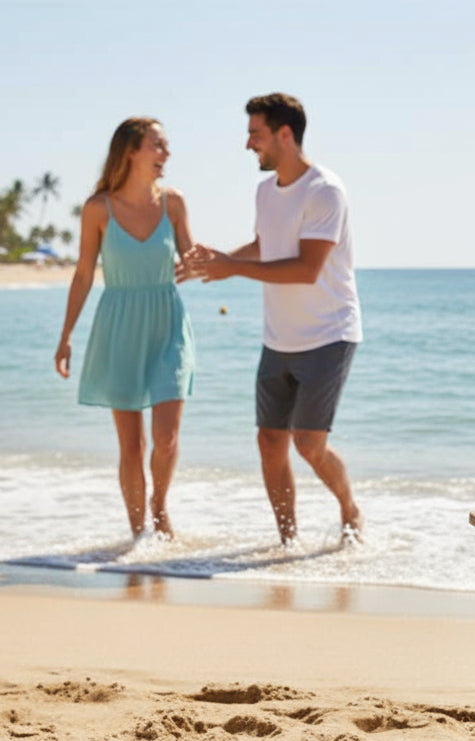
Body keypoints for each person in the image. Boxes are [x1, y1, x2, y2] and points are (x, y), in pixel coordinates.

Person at [178, 93, 362, 544]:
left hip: (328, 335)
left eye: (255, 135)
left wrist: (233, 267)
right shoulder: (264, 191)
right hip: (278, 338)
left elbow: (305, 268)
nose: (248, 146)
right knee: (269, 441)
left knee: (308, 443)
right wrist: (219, 262)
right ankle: (287, 540)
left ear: (285, 134)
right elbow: (267, 246)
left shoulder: (325, 191)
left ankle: (350, 511)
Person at [55, 117, 195, 540]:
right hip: (119, 326)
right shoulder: (99, 208)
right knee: (132, 445)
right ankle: (139, 535)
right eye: (158, 145)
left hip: (168, 324)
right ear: (131, 151)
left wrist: (229, 260)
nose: (166, 154)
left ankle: (159, 507)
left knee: (166, 438)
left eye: (166, 146)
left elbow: (190, 258)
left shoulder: (174, 203)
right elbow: (82, 275)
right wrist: (65, 336)